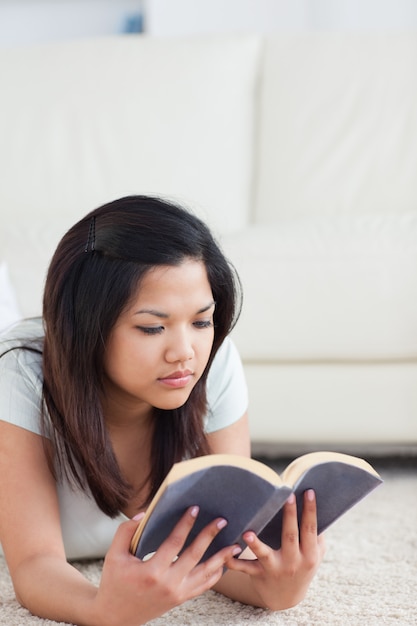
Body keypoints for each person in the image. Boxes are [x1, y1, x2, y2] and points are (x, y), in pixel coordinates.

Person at [0, 195, 325, 625]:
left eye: (202, 321)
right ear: (87, 326)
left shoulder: (213, 364)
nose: (185, 353)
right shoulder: (21, 373)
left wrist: (276, 588)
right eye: (152, 327)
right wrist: (103, 610)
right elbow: (34, 565)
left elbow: (220, 548)